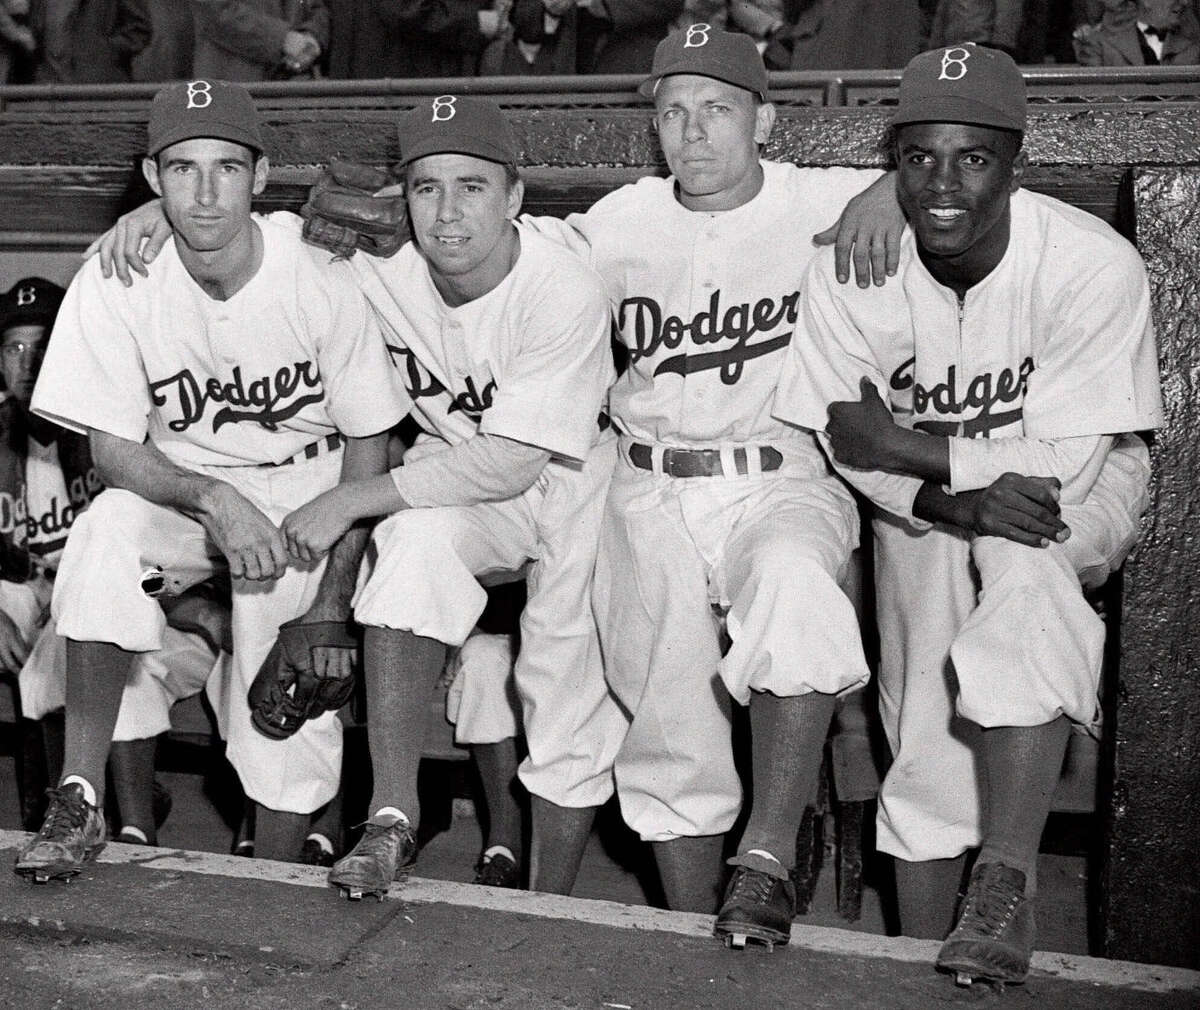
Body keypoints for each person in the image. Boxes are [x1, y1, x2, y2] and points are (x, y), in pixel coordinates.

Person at [775, 44, 1163, 983]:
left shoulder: (1087, 261)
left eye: (973, 158)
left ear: (1015, 163)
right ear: (893, 161)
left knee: (1027, 565)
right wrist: (942, 491)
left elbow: (1064, 463)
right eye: (920, 159)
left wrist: (913, 448)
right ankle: (921, 958)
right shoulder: (854, 265)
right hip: (925, 503)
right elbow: (843, 443)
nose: (944, 184)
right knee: (920, 721)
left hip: (1080, 481)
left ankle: (1006, 877)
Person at [519, 25, 903, 948]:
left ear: (764, 119)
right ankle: (700, 939)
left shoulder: (826, 198)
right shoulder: (618, 222)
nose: (693, 133)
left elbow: (956, 174)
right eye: (674, 113)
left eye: (718, 110)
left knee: (797, 591)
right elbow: (497, 252)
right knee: (667, 727)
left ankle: (764, 860)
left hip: (782, 473)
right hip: (648, 484)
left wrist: (890, 186)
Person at [15, 78, 407, 883]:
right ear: (152, 179)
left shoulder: (318, 264)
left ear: (261, 176)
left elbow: (371, 437)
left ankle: (272, 885)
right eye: (182, 168)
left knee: (283, 714)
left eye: (226, 167)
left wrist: (332, 603)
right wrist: (211, 499)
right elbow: (112, 450)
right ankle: (80, 795)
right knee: (104, 534)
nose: (204, 190)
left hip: (312, 492)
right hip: (184, 490)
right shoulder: (117, 275)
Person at [274, 96, 623, 902]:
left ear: (516, 196)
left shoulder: (560, 283)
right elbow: (248, 243)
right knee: (413, 551)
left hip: (574, 474)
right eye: (426, 188)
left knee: (565, 679)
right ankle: (391, 817)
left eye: (472, 186)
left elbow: (510, 462)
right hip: (455, 469)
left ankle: (549, 901)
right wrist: (146, 220)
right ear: (402, 197)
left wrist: (353, 499)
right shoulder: (377, 260)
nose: (447, 211)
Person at [189, 0, 328, 81]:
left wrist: (312, 37)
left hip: (298, 83)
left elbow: (316, 7)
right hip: (235, 79)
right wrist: (282, 39)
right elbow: (214, 10)